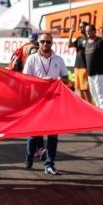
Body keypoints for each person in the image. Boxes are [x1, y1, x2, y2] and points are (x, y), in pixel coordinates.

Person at [23, 33, 70, 174]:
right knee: (33, 134)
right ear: (39, 42)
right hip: (36, 101)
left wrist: (57, 81)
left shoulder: (58, 60)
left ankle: (49, 163)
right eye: (43, 41)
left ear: (52, 43)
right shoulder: (32, 59)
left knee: (53, 135)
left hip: (53, 101)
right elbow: (25, 79)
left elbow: (66, 78)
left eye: (48, 42)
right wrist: (42, 81)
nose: (45, 44)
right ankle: (30, 154)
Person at [68, 22, 92, 103]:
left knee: (85, 89)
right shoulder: (79, 38)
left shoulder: (90, 39)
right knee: (79, 89)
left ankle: (89, 106)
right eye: (80, 26)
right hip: (77, 66)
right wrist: (71, 34)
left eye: (82, 26)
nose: (80, 28)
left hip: (84, 66)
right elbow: (70, 45)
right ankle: (84, 105)